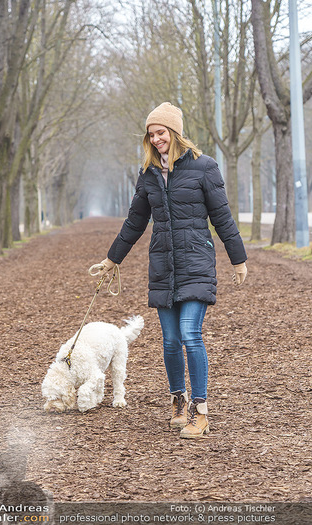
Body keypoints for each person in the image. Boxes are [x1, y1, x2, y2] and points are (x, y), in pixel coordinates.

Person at [93, 102, 247, 439]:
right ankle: (178, 400)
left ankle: (200, 411)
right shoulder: (148, 173)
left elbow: (221, 216)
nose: (156, 138)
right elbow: (135, 220)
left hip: (196, 262)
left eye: (160, 132)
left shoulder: (205, 168)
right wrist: (112, 259)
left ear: (174, 132)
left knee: (191, 334)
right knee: (170, 341)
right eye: (151, 134)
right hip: (162, 265)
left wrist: (238, 258)